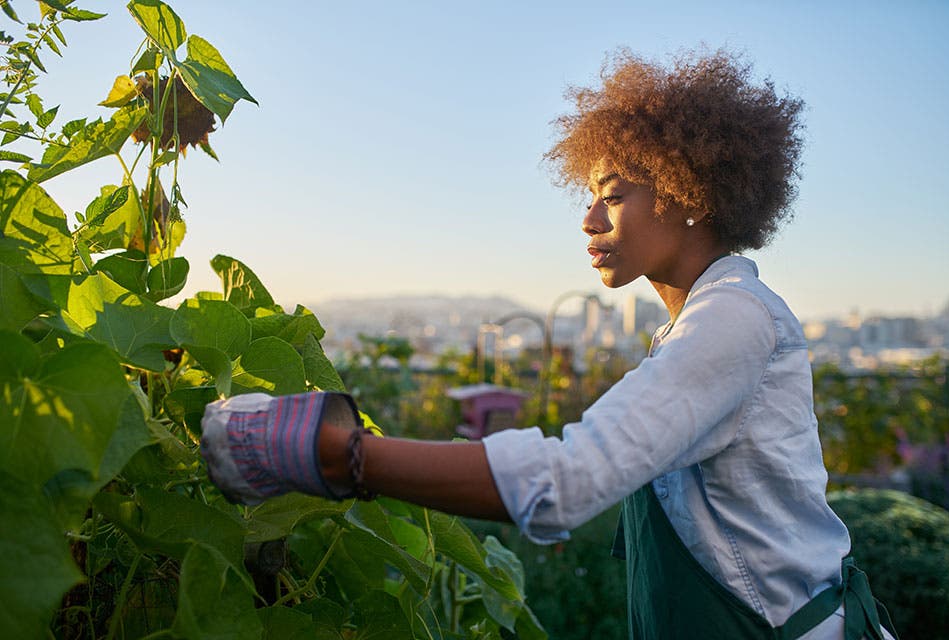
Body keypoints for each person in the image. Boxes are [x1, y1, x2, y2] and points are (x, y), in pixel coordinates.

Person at [200, 50, 899, 640]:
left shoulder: (733, 320)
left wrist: (338, 451)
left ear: (691, 193)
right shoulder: (697, 325)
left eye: (614, 195)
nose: (589, 218)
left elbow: (566, 484)